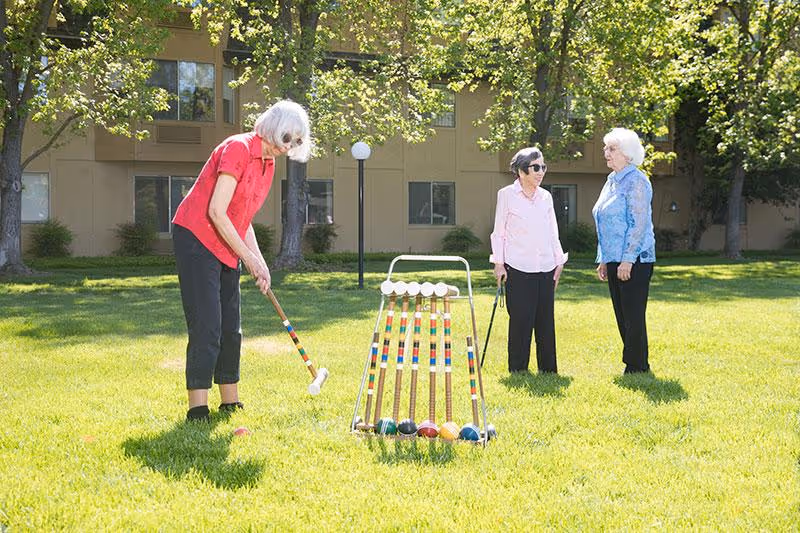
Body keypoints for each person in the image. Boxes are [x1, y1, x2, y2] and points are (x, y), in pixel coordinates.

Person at [172, 100, 312, 421]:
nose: (288, 146)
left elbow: (241, 216)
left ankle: (230, 401)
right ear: (274, 126)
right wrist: (247, 258)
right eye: (286, 137)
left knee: (231, 327)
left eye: (295, 142)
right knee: (207, 324)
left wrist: (259, 262)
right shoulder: (238, 148)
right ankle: (197, 408)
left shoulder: (268, 163)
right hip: (196, 236)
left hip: (225, 240)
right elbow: (217, 212)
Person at [490, 147, 568, 374]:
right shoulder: (506, 195)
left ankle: (548, 370)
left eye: (543, 167)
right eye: (536, 167)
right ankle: (518, 369)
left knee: (545, 321)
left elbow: (553, 231)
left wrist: (559, 261)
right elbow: (499, 232)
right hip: (517, 267)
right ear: (521, 171)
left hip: (545, 266)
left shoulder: (546, 197)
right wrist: (499, 263)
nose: (540, 172)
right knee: (521, 321)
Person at [592, 127, 656, 374]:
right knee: (621, 313)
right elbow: (603, 221)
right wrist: (604, 259)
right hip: (614, 259)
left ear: (627, 154)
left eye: (612, 148)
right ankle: (634, 363)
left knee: (633, 314)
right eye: (606, 148)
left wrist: (627, 260)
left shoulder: (637, 181)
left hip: (635, 259)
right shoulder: (611, 181)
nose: (605, 152)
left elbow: (638, 225)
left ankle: (638, 366)